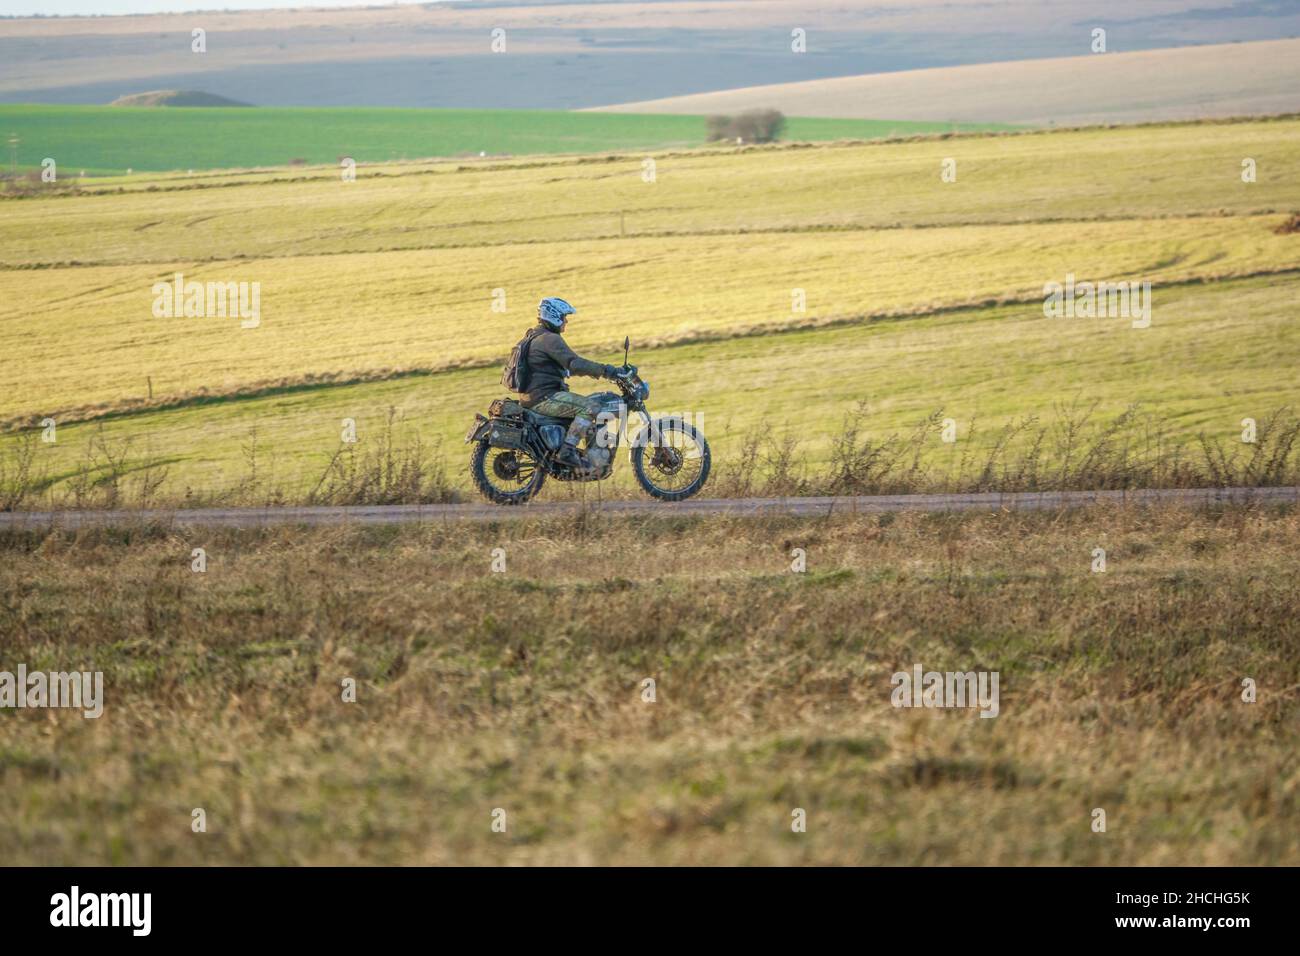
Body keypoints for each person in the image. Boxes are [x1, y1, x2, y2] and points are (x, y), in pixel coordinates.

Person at [516, 297, 624, 469]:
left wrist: (594, 371)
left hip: (533, 397)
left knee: (584, 415)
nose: (566, 320)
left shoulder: (534, 337)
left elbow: (569, 368)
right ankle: (567, 450)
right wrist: (608, 371)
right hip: (544, 398)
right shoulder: (549, 339)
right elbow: (574, 363)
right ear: (554, 316)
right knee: (591, 407)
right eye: (564, 316)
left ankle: (590, 460)